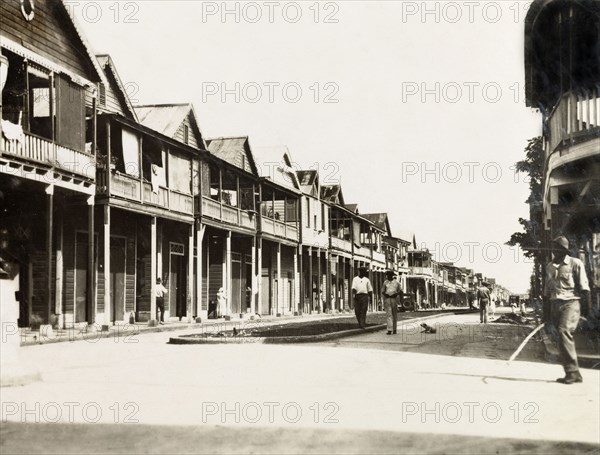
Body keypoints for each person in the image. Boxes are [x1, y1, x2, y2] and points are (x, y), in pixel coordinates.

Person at [545, 235, 590, 385]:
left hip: (571, 303)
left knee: (564, 331)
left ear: (565, 250)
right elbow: (547, 293)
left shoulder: (575, 263)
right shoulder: (549, 267)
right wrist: (546, 316)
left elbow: (584, 289)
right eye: (554, 248)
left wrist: (585, 311)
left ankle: (571, 372)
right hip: (555, 304)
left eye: (559, 249)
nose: (555, 251)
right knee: (560, 337)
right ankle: (573, 373)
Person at [382, 271, 402, 335]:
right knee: (389, 314)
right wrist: (385, 294)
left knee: (394, 314)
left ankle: (394, 329)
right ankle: (389, 329)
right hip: (387, 299)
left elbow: (400, 291)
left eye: (390, 275)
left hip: (394, 298)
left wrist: (396, 294)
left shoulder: (396, 282)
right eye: (388, 275)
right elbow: (383, 291)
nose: (389, 276)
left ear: (392, 276)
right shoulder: (385, 282)